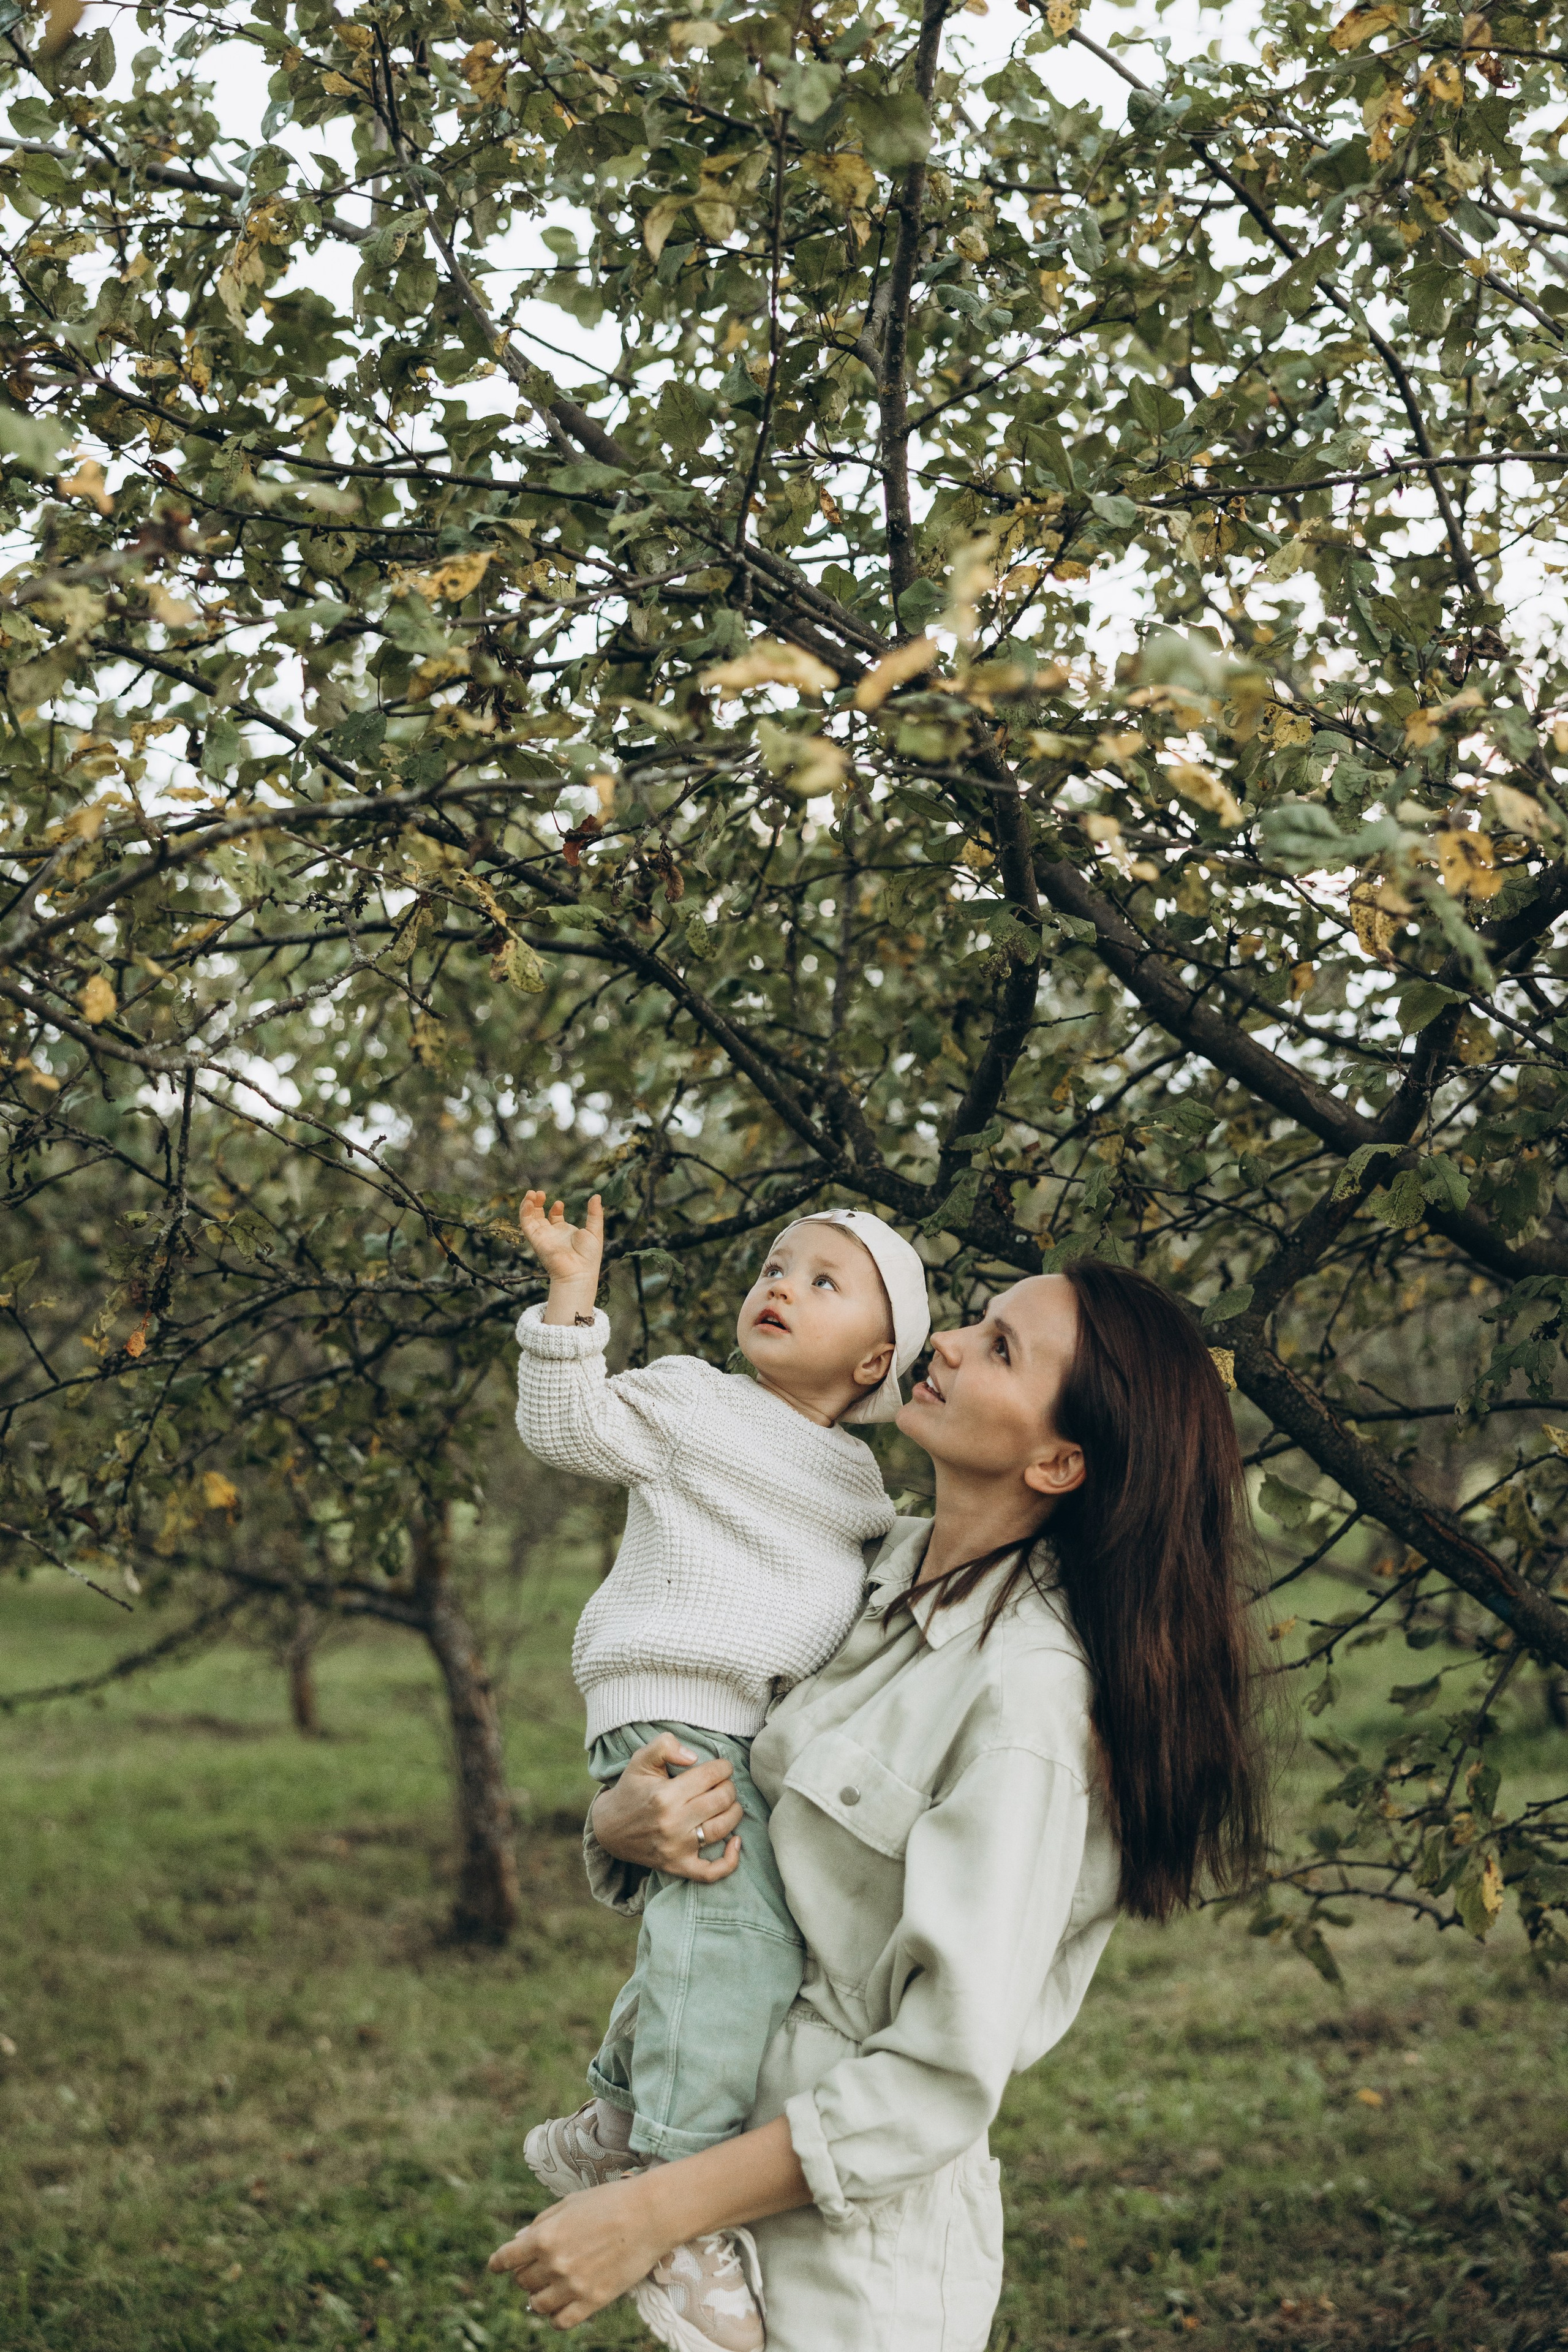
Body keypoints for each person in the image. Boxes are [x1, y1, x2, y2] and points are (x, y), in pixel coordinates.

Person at [490, 1257, 1266, 2351]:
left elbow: (941, 2078)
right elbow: (748, 1842)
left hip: (847, 2276)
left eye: (1000, 1348)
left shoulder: (1026, 1704)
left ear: (1059, 1459)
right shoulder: (851, 1572)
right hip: (716, 2184)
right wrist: (619, 1828)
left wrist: (652, 2209)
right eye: (975, 1322)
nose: (944, 1343)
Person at [512, 1189, 932, 2351]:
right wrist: (570, 1301)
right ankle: (677, 2197)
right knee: (734, 1938)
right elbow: (568, 1430)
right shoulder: (697, 1401)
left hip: (754, 1733)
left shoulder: (859, 1489)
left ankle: (611, 2109)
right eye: (774, 1265)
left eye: (823, 1281)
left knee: (734, 1933)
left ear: (878, 1359)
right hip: (673, 1709)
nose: (780, 1286)